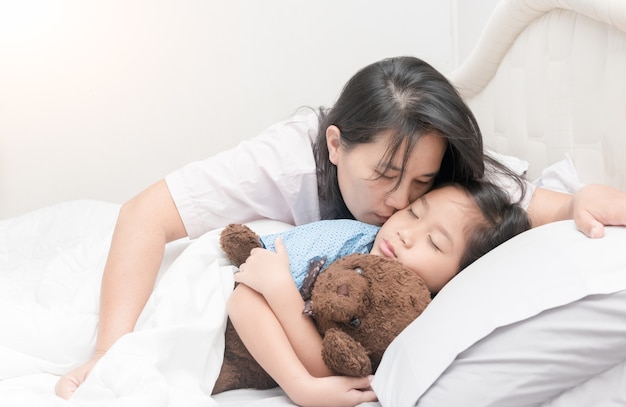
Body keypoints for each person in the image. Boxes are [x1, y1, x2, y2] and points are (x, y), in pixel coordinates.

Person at [55, 56, 626, 405]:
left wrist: (586, 200)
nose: (401, 205)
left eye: (421, 183)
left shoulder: (448, 196)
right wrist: (110, 351)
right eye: (384, 177)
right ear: (334, 145)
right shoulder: (287, 161)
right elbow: (144, 214)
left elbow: (540, 207)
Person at [224, 180, 531, 404]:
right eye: (413, 212)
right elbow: (246, 295)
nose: (405, 233)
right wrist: (302, 385)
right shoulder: (346, 239)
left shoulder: (421, 319)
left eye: (435, 242)